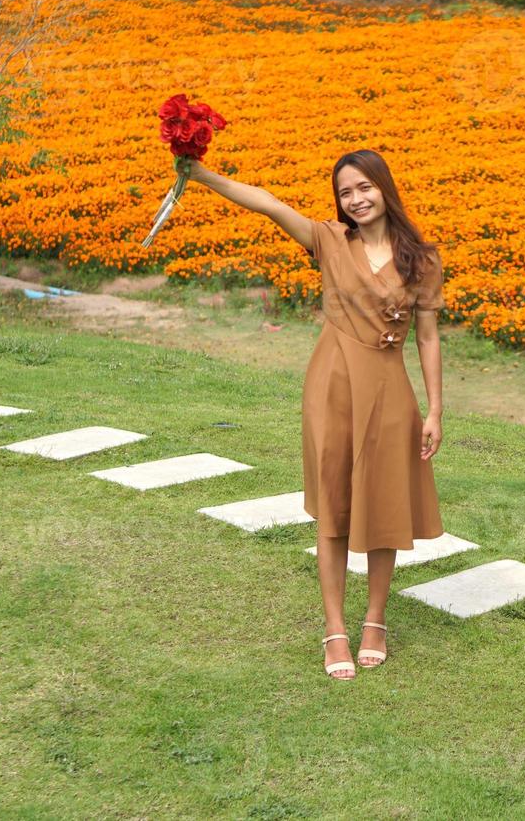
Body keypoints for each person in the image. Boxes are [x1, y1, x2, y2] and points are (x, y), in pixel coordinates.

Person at [187, 149, 446, 680]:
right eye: (345, 193)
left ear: (383, 187)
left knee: (384, 503)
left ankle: (375, 620)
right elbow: (266, 204)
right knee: (332, 503)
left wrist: (435, 407)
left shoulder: (420, 258)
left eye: (364, 188)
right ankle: (335, 629)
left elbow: (428, 336)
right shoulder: (328, 240)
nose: (356, 199)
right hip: (330, 385)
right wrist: (199, 174)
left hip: (390, 388)